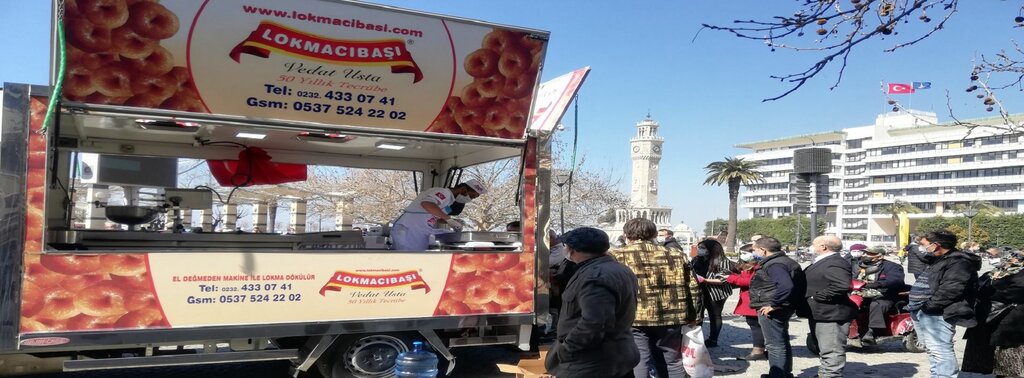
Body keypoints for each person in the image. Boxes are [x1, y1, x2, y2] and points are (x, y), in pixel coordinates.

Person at [611, 218, 702, 378]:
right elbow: (693, 286)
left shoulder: (617, 255)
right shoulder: (676, 254)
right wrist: (694, 315)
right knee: (672, 360)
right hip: (672, 316)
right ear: (654, 234)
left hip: (635, 317)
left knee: (640, 360)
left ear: (626, 235)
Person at [544, 227, 640, 378]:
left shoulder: (594, 276)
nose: (565, 249)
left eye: (566, 246)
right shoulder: (618, 269)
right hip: (616, 355)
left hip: (592, 362)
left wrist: (567, 348)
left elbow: (595, 322)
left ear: (574, 250)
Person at [908, 229, 981, 378]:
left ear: (936, 245)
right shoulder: (939, 259)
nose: (923, 249)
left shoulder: (959, 261)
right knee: (932, 350)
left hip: (938, 312)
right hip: (923, 310)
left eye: (925, 245)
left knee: (940, 350)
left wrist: (928, 306)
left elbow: (951, 289)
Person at [749, 236, 806, 378]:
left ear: (763, 250)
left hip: (772, 308)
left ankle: (777, 374)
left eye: (754, 249)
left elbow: (786, 286)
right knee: (782, 340)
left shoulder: (775, 264)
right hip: (783, 306)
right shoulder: (785, 261)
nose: (753, 252)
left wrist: (774, 304)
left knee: (774, 344)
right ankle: (784, 372)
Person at [802, 236, 857, 378]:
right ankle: (824, 374)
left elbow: (842, 285)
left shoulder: (835, 262)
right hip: (820, 312)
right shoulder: (825, 261)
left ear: (823, 247)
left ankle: (831, 375)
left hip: (831, 313)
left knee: (831, 349)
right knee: (822, 347)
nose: (811, 247)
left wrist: (817, 296)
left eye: (813, 244)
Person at [962, 248, 1024, 377]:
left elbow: (1014, 294)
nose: (1011, 258)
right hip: (988, 317)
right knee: (986, 354)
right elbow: (978, 288)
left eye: (1015, 256)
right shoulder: (995, 272)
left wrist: (991, 289)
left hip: (1010, 319)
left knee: (1008, 357)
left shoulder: (1020, 274)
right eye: (1011, 255)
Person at [390, 179, 486, 250]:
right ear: (463, 189)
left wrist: (452, 222)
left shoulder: (449, 202)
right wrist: (448, 219)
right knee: (408, 261)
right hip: (408, 230)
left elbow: (434, 216)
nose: (470, 199)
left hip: (419, 231)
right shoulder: (443, 192)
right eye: (472, 196)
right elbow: (427, 204)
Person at [708, 243, 765, 360]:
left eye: (745, 253)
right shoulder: (748, 265)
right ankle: (759, 349)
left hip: (755, 299)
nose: (742, 255)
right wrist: (732, 275)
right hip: (750, 298)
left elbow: (750, 281)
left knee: (756, 325)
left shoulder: (759, 266)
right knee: (754, 324)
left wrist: (730, 278)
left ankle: (758, 350)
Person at [852, 247, 906, 345]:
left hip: (883, 294)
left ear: (880, 257)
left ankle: (872, 331)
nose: (865, 255)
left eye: (870, 254)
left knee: (877, 304)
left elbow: (896, 280)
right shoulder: (857, 265)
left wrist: (878, 284)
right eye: (865, 253)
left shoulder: (892, 266)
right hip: (858, 292)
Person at [691, 239, 735, 347]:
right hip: (699, 291)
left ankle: (713, 339)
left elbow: (724, 279)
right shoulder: (697, 259)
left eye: (703, 248)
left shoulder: (723, 261)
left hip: (716, 292)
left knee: (714, 315)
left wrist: (705, 280)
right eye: (699, 247)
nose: (699, 250)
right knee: (698, 315)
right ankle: (696, 339)